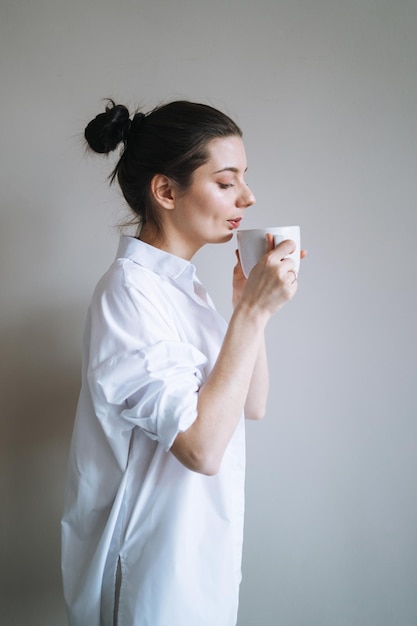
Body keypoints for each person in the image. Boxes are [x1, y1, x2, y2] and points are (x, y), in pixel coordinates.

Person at [61, 99, 304, 626]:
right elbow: (200, 448)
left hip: (201, 564)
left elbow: (251, 405)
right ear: (166, 191)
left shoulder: (183, 291)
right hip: (150, 575)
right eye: (226, 181)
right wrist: (247, 317)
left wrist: (249, 311)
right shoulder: (128, 293)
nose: (248, 196)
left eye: (245, 178)